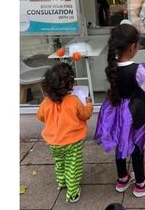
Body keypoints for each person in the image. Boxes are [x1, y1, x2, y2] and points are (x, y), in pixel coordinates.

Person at [94, 21, 145, 197]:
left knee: (120, 143)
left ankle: (122, 179)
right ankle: (141, 184)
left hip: (115, 111)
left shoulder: (111, 66)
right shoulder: (138, 69)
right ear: (132, 47)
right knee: (137, 147)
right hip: (133, 113)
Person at [37, 62, 93, 203]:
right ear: (69, 85)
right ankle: (73, 192)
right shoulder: (73, 101)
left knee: (59, 162)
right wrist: (88, 103)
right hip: (71, 142)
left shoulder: (46, 102)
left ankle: (62, 181)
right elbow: (86, 114)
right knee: (73, 165)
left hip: (53, 141)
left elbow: (40, 116)